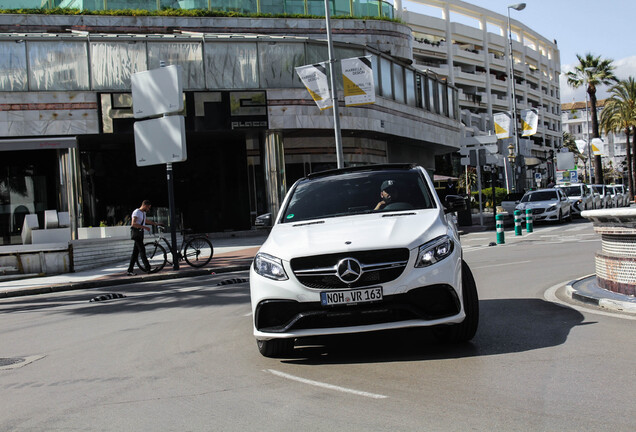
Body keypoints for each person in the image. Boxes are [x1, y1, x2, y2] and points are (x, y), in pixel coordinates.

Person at [126, 200, 161, 276]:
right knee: (142, 251)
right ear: (145, 205)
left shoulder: (143, 213)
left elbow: (146, 221)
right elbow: (133, 224)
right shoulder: (136, 212)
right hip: (136, 233)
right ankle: (148, 268)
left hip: (140, 233)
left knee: (135, 253)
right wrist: (144, 227)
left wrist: (155, 224)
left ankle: (129, 270)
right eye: (148, 207)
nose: (149, 209)